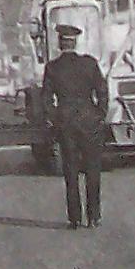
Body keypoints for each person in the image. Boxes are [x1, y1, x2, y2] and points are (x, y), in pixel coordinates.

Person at [40, 23, 109, 230]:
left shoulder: (52, 67)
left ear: (60, 43)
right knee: (93, 168)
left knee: (70, 170)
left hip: (66, 122)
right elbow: (102, 91)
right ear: (75, 42)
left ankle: (75, 218)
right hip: (89, 120)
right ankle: (94, 216)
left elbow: (46, 99)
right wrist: (99, 114)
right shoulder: (89, 64)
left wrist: (55, 117)